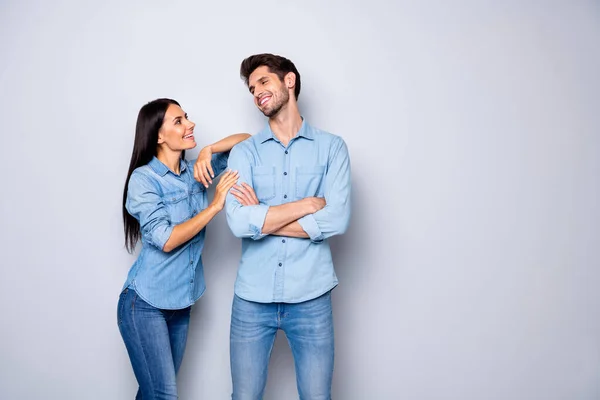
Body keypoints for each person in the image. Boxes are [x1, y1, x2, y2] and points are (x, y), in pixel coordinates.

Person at [225, 54, 352, 400]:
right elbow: (237, 221)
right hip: (252, 299)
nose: (257, 93)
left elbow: (337, 218)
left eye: (264, 82)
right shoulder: (245, 153)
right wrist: (306, 206)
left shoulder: (332, 148)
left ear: (289, 81)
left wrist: (263, 218)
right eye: (252, 89)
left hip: (311, 295)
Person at [118, 98, 249, 399]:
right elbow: (165, 239)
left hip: (180, 304)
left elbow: (249, 142)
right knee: (164, 394)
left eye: (186, 117)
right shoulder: (144, 180)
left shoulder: (196, 171)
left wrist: (209, 150)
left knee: (152, 393)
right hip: (144, 305)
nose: (190, 124)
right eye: (178, 121)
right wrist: (215, 205)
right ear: (158, 135)